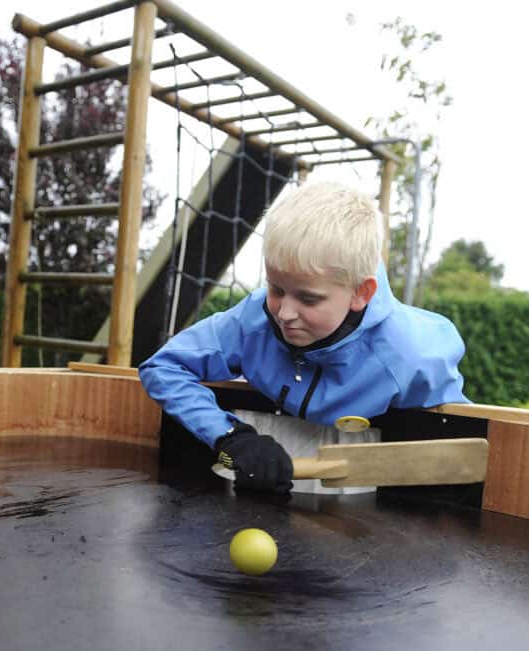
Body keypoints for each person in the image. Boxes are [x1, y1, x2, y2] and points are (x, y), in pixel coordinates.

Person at [138, 182, 468, 495]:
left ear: (361, 293)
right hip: (270, 475)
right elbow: (164, 367)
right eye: (276, 289)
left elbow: (452, 438)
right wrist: (229, 435)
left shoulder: (411, 357)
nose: (284, 314)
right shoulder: (252, 321)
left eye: (308, 299)